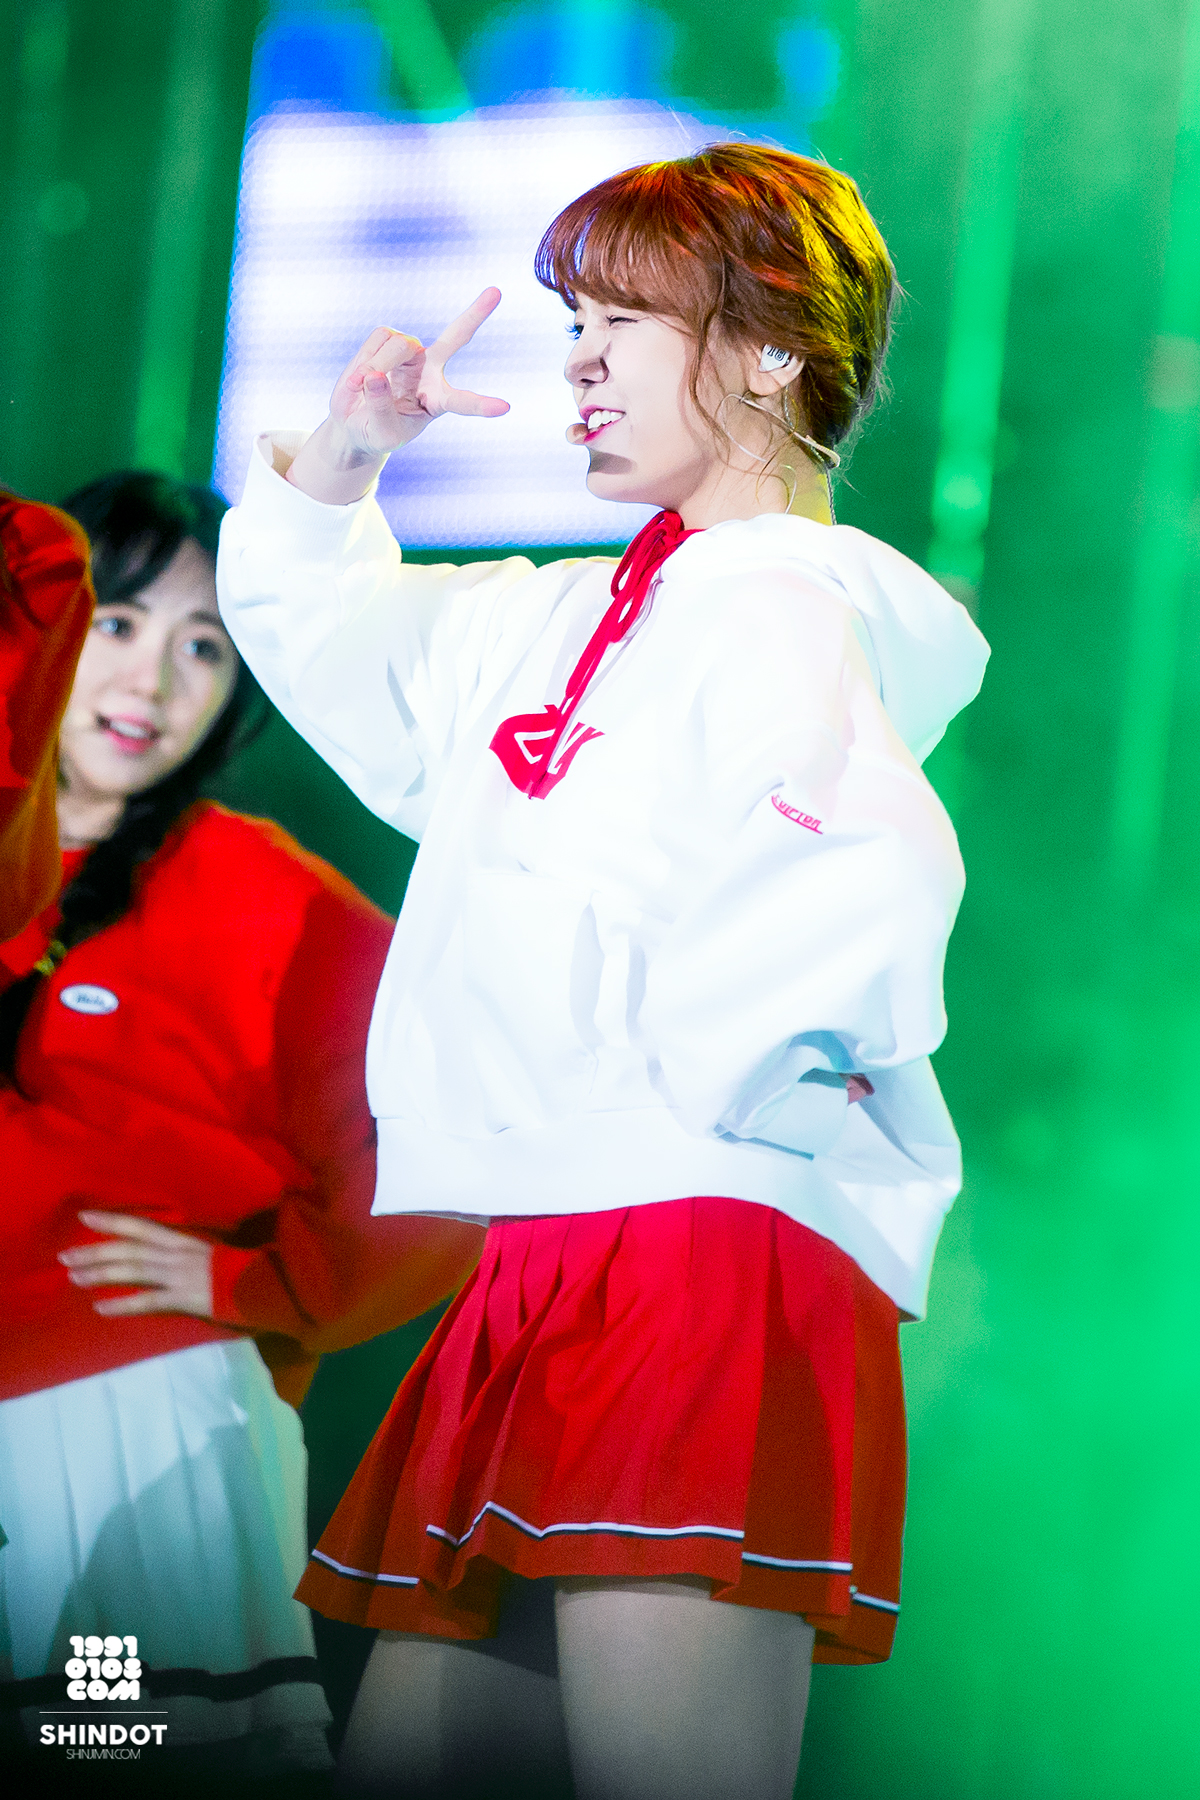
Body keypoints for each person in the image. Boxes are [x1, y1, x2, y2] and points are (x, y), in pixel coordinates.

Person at [217, 144, 990, 1800]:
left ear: (770, 350)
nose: (577, 360)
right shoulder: (565, 611)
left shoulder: (789, 604)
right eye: (575, 320)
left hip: (694, 1244)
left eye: (623, 322)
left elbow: (876, 875)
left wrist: (703, 1097)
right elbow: (343, 653)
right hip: (555, 1242)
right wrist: (347, 457)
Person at [0, 472, 482, 1788]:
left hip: (124, 1428)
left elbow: (446, 1164)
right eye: (117, 621)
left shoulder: (274, 901)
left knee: (126, 1756)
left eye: (205, 645)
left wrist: (255, 1284)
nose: (152, 678)